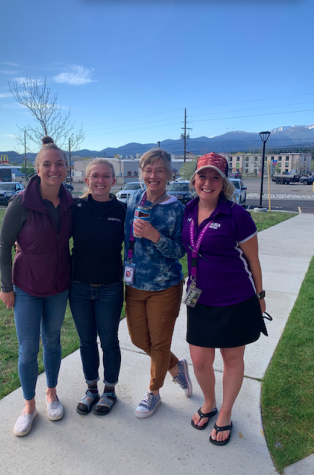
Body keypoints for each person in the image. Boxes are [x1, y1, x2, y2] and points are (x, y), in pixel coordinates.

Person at [182, 152, 268, 446]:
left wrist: (260, 295)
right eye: (202, 176)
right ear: (195, 179)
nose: (208, 182)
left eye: (215, 177)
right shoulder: (188, 211)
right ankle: (209, 402)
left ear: (224, 182)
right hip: (199, 298)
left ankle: (225, 414)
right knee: (200, 360)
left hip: (235, 299)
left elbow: (253, 261)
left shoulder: (237, 215)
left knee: (232, 359)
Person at [0, 136, 73, 436]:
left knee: (52, 341)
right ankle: (29, 405)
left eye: (59, 164)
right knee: (28, 349)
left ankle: (51, 393)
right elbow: (4, 245)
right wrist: (6, 287)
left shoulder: (69, 203)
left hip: (58, 286)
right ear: (37, 168)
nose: (53, 169)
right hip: (26, 287)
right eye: (47, 164)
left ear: (66, 168)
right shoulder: (21, 203)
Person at [124, 148, 193, 419]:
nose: (153, 176)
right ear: (141, 173)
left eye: (159, 170)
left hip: (165, 287)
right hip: (134, 284)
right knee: (139, 339)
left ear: (169, 175)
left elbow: (180, 251)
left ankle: (154, 392)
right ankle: (176, 367)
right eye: (148, 170)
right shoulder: (133, 200)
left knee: (160, 343)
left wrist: (155, 236)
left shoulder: (177, 209)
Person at [69, 158, 126, 416]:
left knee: (110, 342)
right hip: (79, 286)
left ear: (114, 181)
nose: (100, 181)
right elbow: (53, 235)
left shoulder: (123, 210)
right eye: (95, 176)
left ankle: (110, 391)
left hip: (110, 287)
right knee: (86, 341)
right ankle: (91, 388)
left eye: (106, 176)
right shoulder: (76, 208)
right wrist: (21, 244)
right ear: (86, 179)